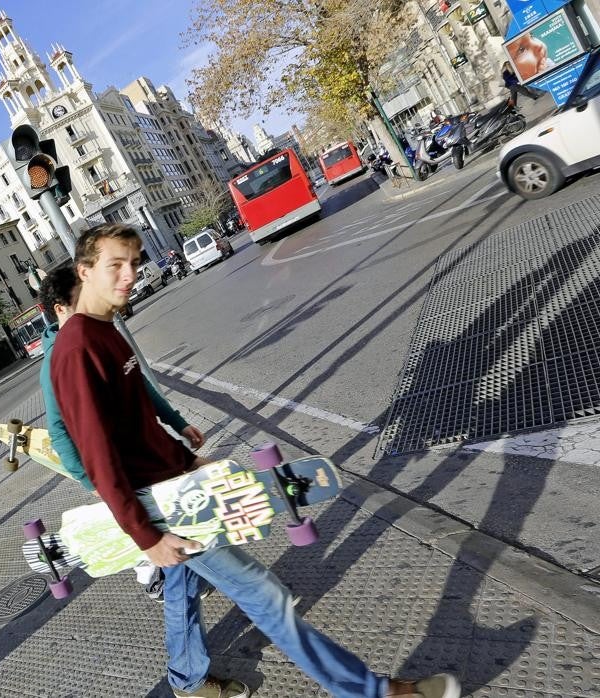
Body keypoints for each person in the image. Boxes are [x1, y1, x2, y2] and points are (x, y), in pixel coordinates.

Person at [50, 222, 460, 698]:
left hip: (177, 489)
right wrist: (147, 536)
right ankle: (375, 693)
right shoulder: (77, 348)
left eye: (136, 263)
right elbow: (98, 456)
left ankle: (186, 681)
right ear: (85, 271)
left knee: (182, 589)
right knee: (265, 595)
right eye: (115, 265)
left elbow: (137, 427)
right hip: (165, 512)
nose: (130, 275)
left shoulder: (107, 331)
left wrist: (187, 459)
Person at [38, 264, 209, 603]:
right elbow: (59, 433)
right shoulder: (60, 360)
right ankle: (155, 578)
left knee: (177, 538)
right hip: (125, 469)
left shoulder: (100, 332)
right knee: (157, 533)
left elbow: (141, 385)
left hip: (156, 455)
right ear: (61, 308)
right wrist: (93, 483)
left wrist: (177, 423)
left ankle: (186, 616)